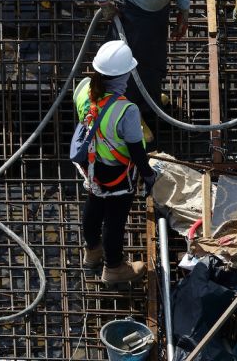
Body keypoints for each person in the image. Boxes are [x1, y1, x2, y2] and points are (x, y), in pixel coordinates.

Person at [73, 40, 157, 289]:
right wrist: (148, 175)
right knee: (115, 219)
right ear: (124, 74)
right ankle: (114, 268)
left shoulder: (84, 88)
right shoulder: (126, 110)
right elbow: (136, 150)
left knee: (94, 203)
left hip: (92, 165)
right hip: (117, 173)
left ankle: (92, 252)